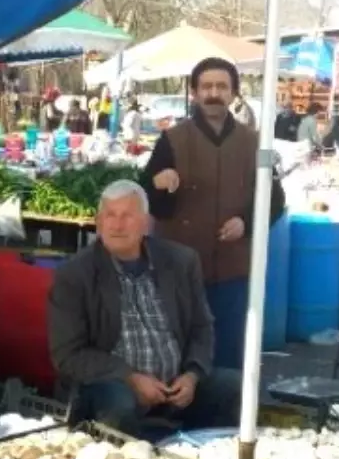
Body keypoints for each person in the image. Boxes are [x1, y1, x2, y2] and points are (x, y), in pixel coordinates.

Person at [47, 180, 242, 436]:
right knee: (118, 404)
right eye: (110, 215)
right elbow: (67, 354)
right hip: (114, 385)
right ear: (99, 221)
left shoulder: (181, 262)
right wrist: (130, 377)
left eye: (127, 215)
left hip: (176, 386)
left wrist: (192, 375)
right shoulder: (75, 275)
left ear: (146, 222)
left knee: (238, 388)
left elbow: (201, 327)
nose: (117, 225)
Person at [139, 57, 285, 370]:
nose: (213, 93)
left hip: (233, 270)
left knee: (228, 354)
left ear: (234, 93)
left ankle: (225, 418)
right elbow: (148, 199)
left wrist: (245, 223)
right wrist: (158, 184)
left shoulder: (255, 142)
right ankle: (177, 418)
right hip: (178, 269)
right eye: (206, 86)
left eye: (221, 86)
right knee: (178, 354)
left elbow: (275, 199)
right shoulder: (172, 140)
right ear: (194, 92)